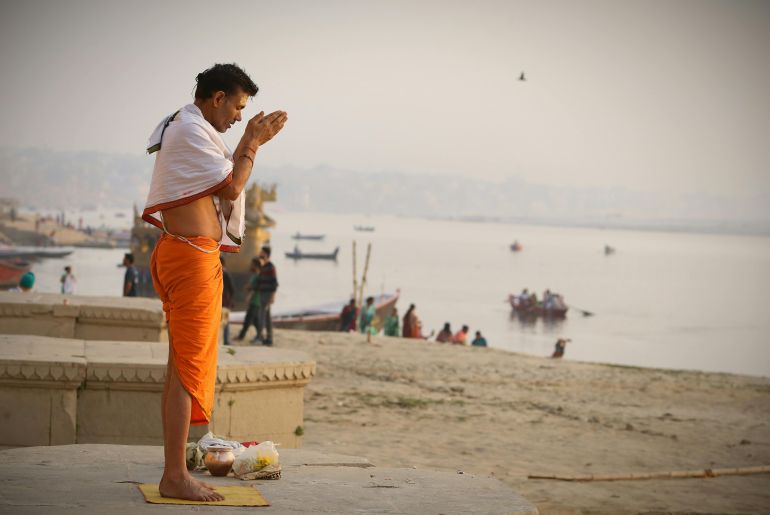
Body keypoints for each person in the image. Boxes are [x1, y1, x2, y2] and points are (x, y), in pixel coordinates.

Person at [141, 63, 287, 501]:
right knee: (187, 373)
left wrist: (245, 140)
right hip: (189, 259)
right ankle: (174, 477)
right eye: (238, 107)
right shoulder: (188, 130)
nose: (240, 117)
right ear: (217, 97)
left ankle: (174, 469)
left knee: (179, 368)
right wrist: (253, 144)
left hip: (185, 255)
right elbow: (232, 185)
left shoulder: (189, 128)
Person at [254, 246, 278, 346]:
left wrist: (272, 296)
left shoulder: (271, 267)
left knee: (262, 316)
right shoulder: (263, 267)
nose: (260, 253)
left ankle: (260, 338)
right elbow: (259, 282)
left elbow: (274, 283)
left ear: (266, 254)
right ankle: (269, 339)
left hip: (267, 295)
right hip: (262, 294)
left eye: (261, 252)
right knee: (267, 317)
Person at [236, 258, 261, 341]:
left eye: (252, 264)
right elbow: (251, 285)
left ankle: (241, 336)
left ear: (256, 265)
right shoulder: (254, 275)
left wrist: (249, 296)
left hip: (256, 300)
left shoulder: (259, 276)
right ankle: (260, 336)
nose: (250, 265)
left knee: (248, 318)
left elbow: (256, 288)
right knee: (254, 320)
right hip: (253, 300)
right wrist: (247, 287)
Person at [220, 256, 234, 345]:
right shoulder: (223, 273)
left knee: (225, 320)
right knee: (225, 321)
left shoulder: (224, 273)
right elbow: (232, 289)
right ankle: (226, 340)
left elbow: (231, 289)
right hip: (222, 301)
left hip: (223, 301)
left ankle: (226, 340)